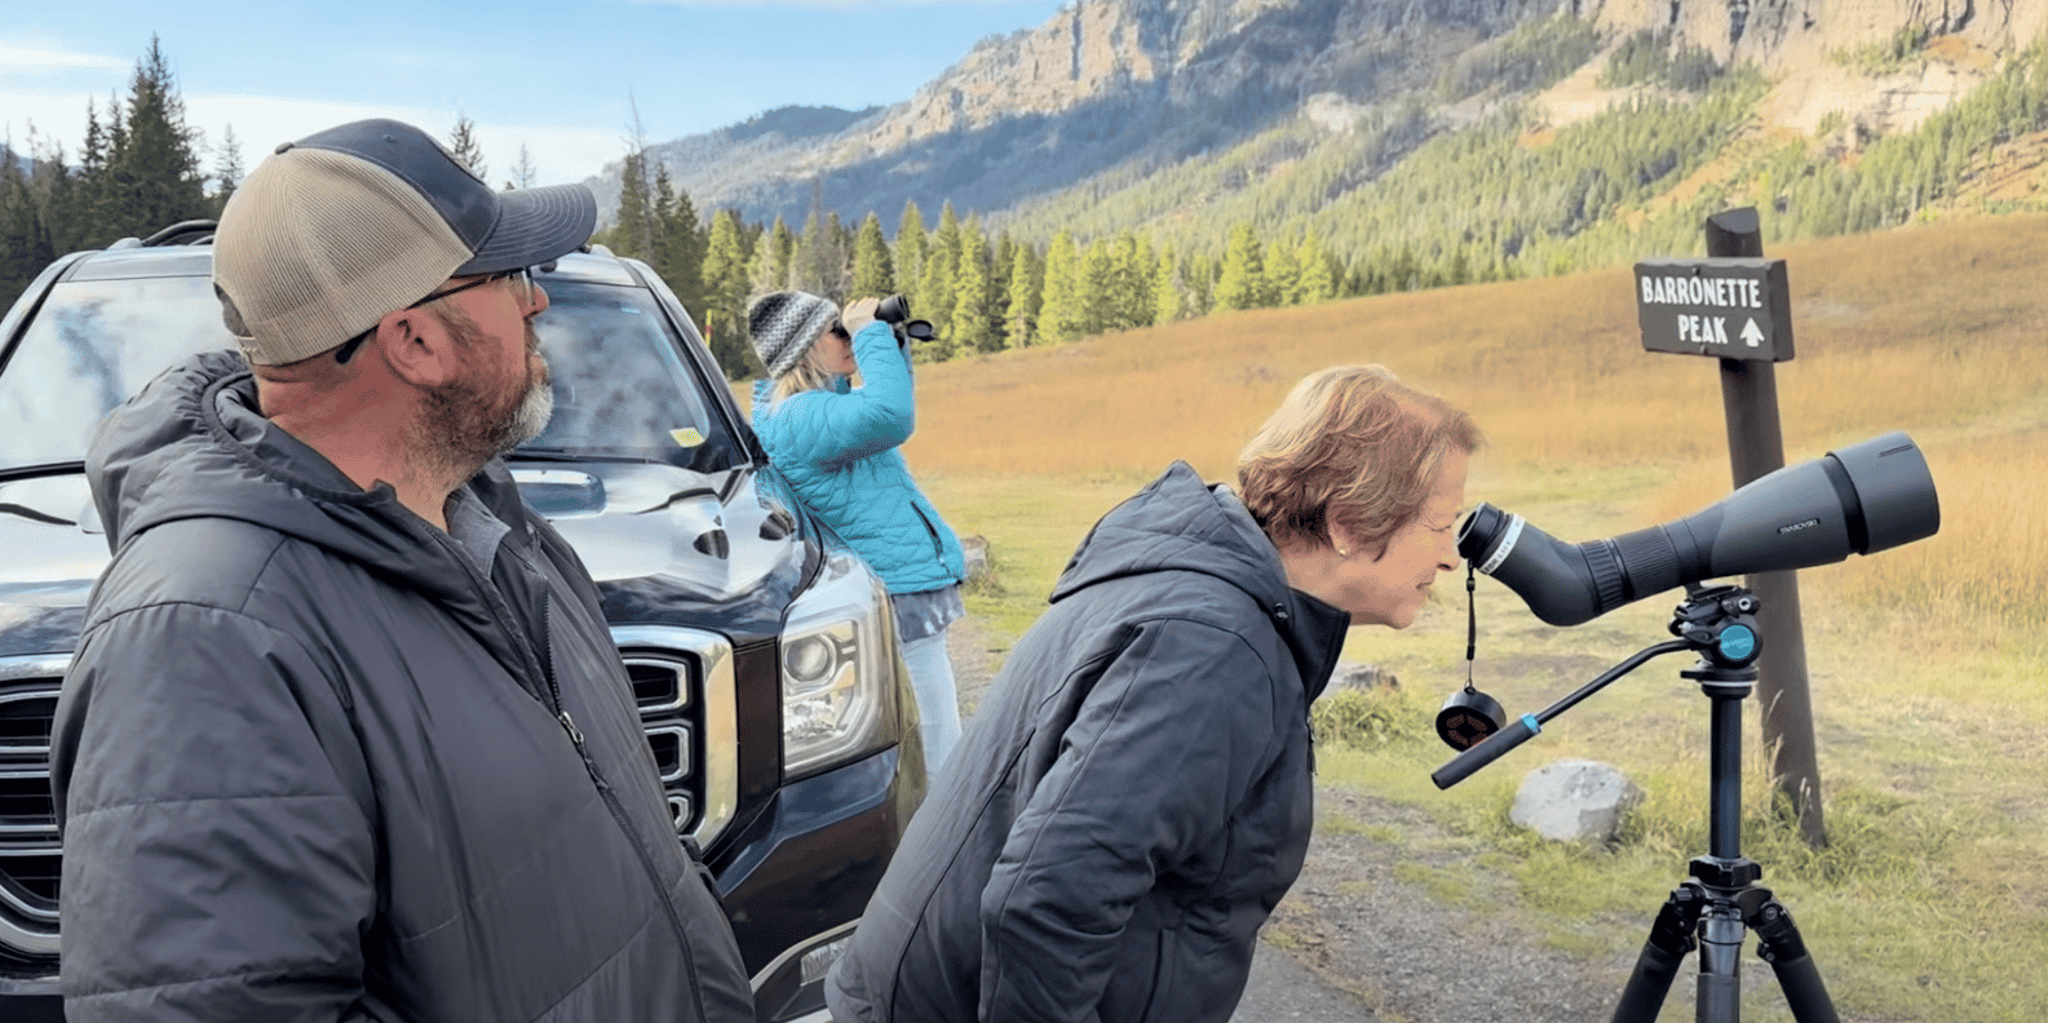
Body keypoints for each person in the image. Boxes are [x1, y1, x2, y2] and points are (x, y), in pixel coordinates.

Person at [50, 119, 755, 1023]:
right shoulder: (205, 637)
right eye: (512, 278)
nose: (539, 305)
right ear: (415, 341)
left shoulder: (491, 524)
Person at [824, 364, 1482, 1023]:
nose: (1452, 555)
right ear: (1346, 521)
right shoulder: (1212, 646)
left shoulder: (1206, 590)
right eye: (1438, 523)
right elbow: (1050, 901)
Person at [747, 291, 968, 782]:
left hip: (897, 579)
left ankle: (943, 823)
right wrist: (869, 335)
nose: (847, 337)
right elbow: (892, 414)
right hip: (894, 585)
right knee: (934, 731)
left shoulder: (818, 408)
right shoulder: (799, 417)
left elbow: (885, 402)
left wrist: (885, 340)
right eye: (837, 330)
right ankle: (950, 833)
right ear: (805, 348)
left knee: (931, 721)